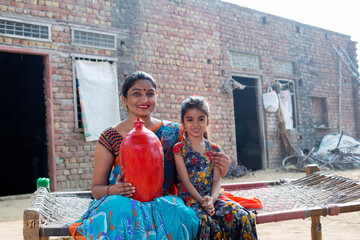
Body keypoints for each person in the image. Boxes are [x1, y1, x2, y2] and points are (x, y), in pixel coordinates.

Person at [68, 71, 231, 240]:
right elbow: (96, 188)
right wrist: (114, 190)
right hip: (123, 204)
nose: (144, 100)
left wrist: (219, 167)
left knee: (181, 214)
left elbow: (196, 170)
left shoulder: (174, 132)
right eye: (136, 94)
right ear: (124, 99)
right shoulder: (110, 137)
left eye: (150, 94)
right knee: (123, 217)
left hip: (165, 203)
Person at [173, 96, 258, 240]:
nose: (196, 124)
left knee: (242, 216)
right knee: (205, 222)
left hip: (212, 197)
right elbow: (185, 181)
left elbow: (217, 181)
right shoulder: (179, 149)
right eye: (190, 119)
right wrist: (202, 202)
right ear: (182, 122)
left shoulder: (214, 149)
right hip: (190, 198)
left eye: (201, 119)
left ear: (208, 121)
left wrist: (211, 201)